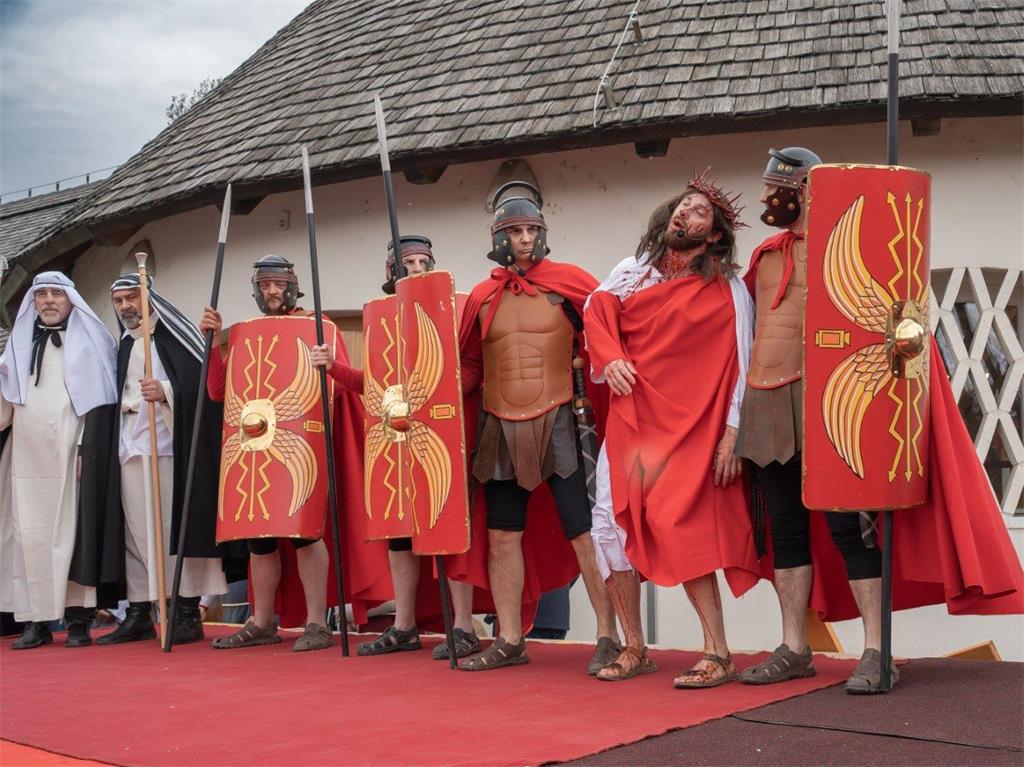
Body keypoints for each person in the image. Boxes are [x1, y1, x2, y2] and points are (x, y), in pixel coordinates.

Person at [736, 147, 1024, 693]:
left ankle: (876, 650)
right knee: (786, 531)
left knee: (852, 531)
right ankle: (794, 648)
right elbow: (747, 334)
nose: (767, 197)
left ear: (805, 191)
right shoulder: (764, 257)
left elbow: (894, 323)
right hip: (768, 403)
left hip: (832, 401)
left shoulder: (849, 248)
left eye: (777, 188)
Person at [585, 171, 762, 686]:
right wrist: (610, 356)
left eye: (699, 211)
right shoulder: (631, 272)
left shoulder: (727, 288)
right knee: (608, 525)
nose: (685, 212)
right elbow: (597, 310)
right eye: (683, 204)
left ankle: (718, 652)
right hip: (633, 420)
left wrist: (734, 432)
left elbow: (744, 360)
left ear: (714, 234)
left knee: (682, 524)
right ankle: (634, 647)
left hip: (691, 427)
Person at [456, 182, 619, 672]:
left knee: (583, 530)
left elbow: (612, 332)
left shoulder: (573, 284)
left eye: (532, 229)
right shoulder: (482, 296)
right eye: (516, 231)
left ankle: (610, 635)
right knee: (503, 534)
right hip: (498, 426)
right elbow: (471, 366)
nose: (525, 239)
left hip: (561, 418)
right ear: (499, 237)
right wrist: (440, 388)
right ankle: (509, 638)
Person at [313, 236, 481, 660]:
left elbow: (473, 369)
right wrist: (333, 368)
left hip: (441, 437)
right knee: (400, 532)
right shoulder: (383, 317)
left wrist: (436, 392)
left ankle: (463, 627)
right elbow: (373, 385)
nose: (418, 268)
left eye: (425, 261)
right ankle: (404, 625)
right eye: (409, 262)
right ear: (393, 272)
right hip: (395, 441)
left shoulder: (454, 307)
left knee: (448, 528)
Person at [201, 255, 356, 651]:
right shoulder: (245, 334)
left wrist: (327, 364)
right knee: (259, 537)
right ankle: (262, 621)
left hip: (299, 443)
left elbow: (339, 388)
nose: (271, 291)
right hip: (254, 449)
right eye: (265, 284)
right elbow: (219, 392)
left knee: (305, 532)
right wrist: (213, 343)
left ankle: (317, 623)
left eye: (278, 284)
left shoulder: (318, 327)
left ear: (292, 287)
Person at [95, 274, 242, 646]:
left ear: (149, 298)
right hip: (130, 449)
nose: (126, 306)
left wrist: (165, 391)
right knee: (135, 535)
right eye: (119, 301)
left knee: (171, 531)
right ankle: (140, 612)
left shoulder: (175, 338)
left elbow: (202, 390)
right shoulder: (124, 345)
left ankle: (185, 611)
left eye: (132, 298)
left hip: (168, 448)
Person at [0, 272, 120, 649]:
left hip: (70, 455)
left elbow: (100, 405)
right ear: (33, 302)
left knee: (73, 534)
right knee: (28, 537)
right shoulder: (18, 345)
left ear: (70, 299)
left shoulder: (92, 342)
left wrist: (87, 449)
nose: (49, 300)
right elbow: (5, 407)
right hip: (26, 461)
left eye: (56, 293)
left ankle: (79, 620)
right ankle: (36, 621)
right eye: (41, 294)